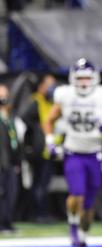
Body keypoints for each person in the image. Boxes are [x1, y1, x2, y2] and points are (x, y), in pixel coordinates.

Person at [43, 58, 102, 247]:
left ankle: (83, 237)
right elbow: (49, 121)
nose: (84, 82)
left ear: (94, 78)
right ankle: (72, 224)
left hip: (94, 155)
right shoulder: (65, 95)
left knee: (88, 206)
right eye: (80, 78)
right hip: (73, 153)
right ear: (72, 78)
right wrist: (51, 142)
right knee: (76, 193)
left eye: (87, 77)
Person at [20, 74, 57, 222]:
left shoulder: (50, 102)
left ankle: (40, 213)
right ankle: (38, 214)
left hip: (49, 150)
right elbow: (24, 117)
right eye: (49, 84)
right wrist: (37, 131)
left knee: (43, 184)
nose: (52, 88)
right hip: (39, 151)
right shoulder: (36, 101)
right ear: (41, 86)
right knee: (39, 184)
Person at [0, 84, 22, 234]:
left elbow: (14, 142)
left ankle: (7, 222)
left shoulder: (10, 118)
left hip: (10, 163)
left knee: (11, 193)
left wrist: (17, 161)